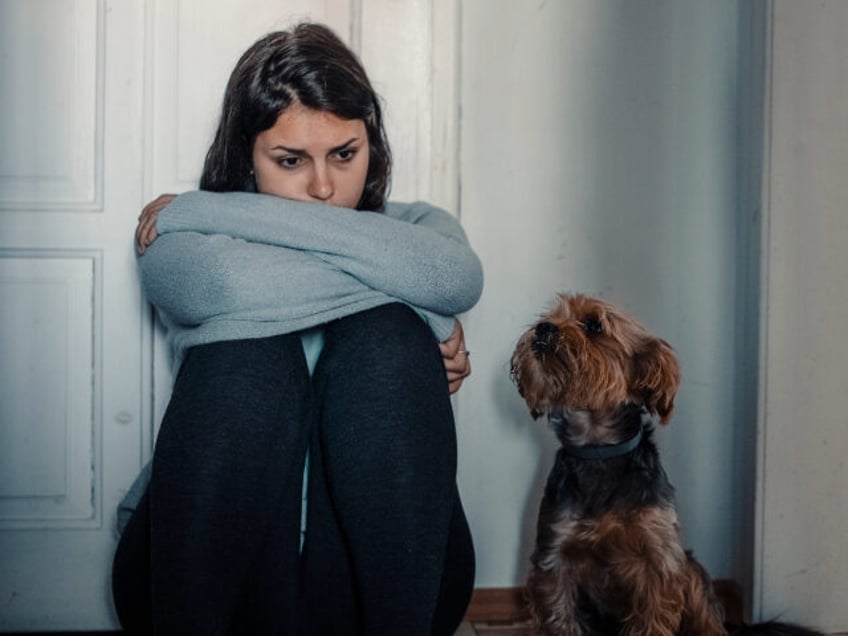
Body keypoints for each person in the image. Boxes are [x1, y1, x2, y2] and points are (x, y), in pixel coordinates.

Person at [111, 22, 483, 636]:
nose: (324, 188)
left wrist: (208, 207)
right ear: (244, 155)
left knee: (384, 341)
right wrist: (424, 305)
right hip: (206, 583)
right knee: (249, 359)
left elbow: (456, 277)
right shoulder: (179, 239)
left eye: (345, 154)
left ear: (372, 144)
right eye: (289, 160)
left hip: (384, 590)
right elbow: (223, 289)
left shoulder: (419, 222)